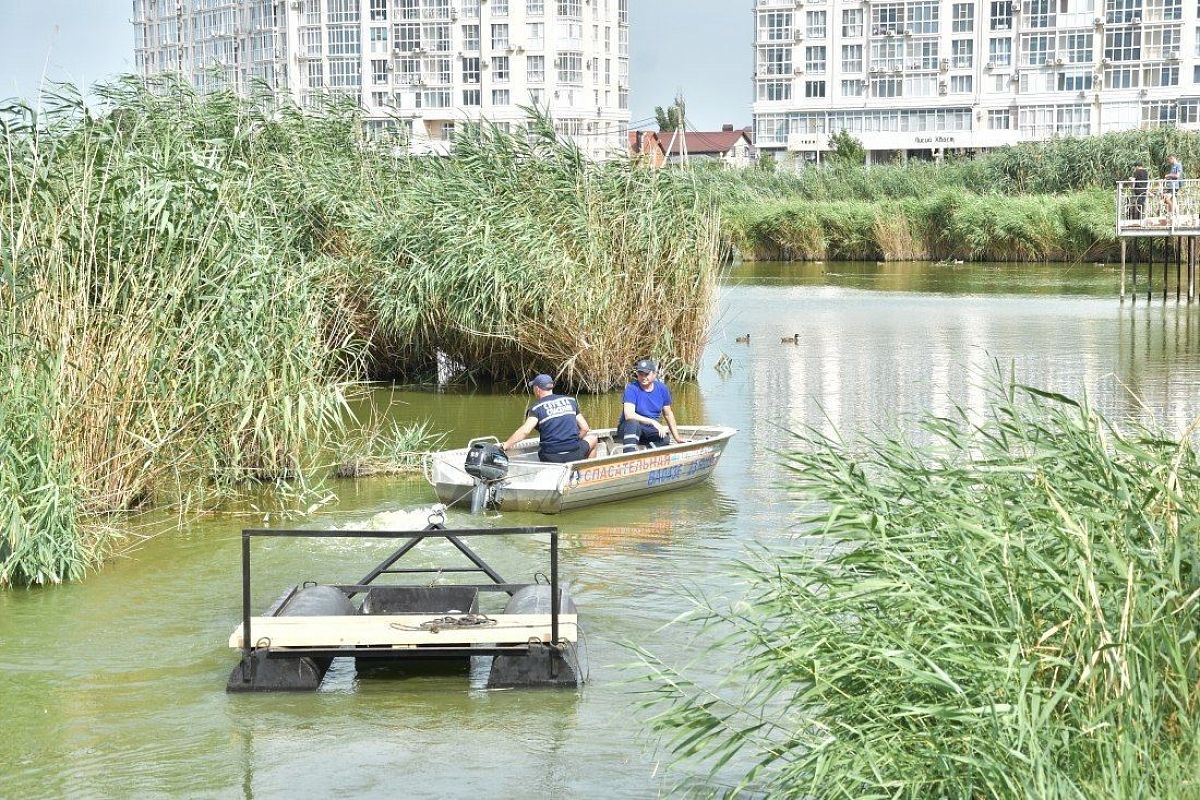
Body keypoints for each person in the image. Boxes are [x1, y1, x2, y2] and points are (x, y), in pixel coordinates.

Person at [501, 374, 598, 463]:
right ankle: (587, 471)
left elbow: (525, 431)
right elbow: (585, 428)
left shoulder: (536, 408)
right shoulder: (571, 401)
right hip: (574, 455)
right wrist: (575, 441)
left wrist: (505, 446)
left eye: (533, 388)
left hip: (550, 457)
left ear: (537, 389)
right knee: (593, 438)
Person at [616, 358, 684, 453]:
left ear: (654, 374)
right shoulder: (631, 388)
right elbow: (629, 415)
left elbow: (668, 414)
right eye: (640, 374)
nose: (643, 377)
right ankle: (629, 455)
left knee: (664, 438)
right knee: (633, 423)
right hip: (629, 428)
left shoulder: (662, 389)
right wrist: (653, 422)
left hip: (648, 430)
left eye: (646, 374)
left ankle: (647, 453)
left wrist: (677, 437)